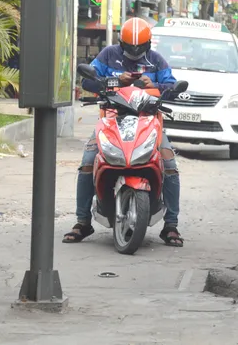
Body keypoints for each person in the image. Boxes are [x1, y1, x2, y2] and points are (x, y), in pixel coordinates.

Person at [63, 17, 186, 247]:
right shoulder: (108, 55)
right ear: (122, 43)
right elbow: (88, 82)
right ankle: (82, 221)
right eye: (130, 47)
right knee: (88, 162)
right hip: (111, 118)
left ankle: (171, 225)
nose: (135, 51)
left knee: (169, 165)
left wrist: (153, 85)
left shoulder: (157, 61)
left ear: (148, 44)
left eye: (140, 48)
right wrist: (114, 80)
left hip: (148, 120)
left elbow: (172, 86)